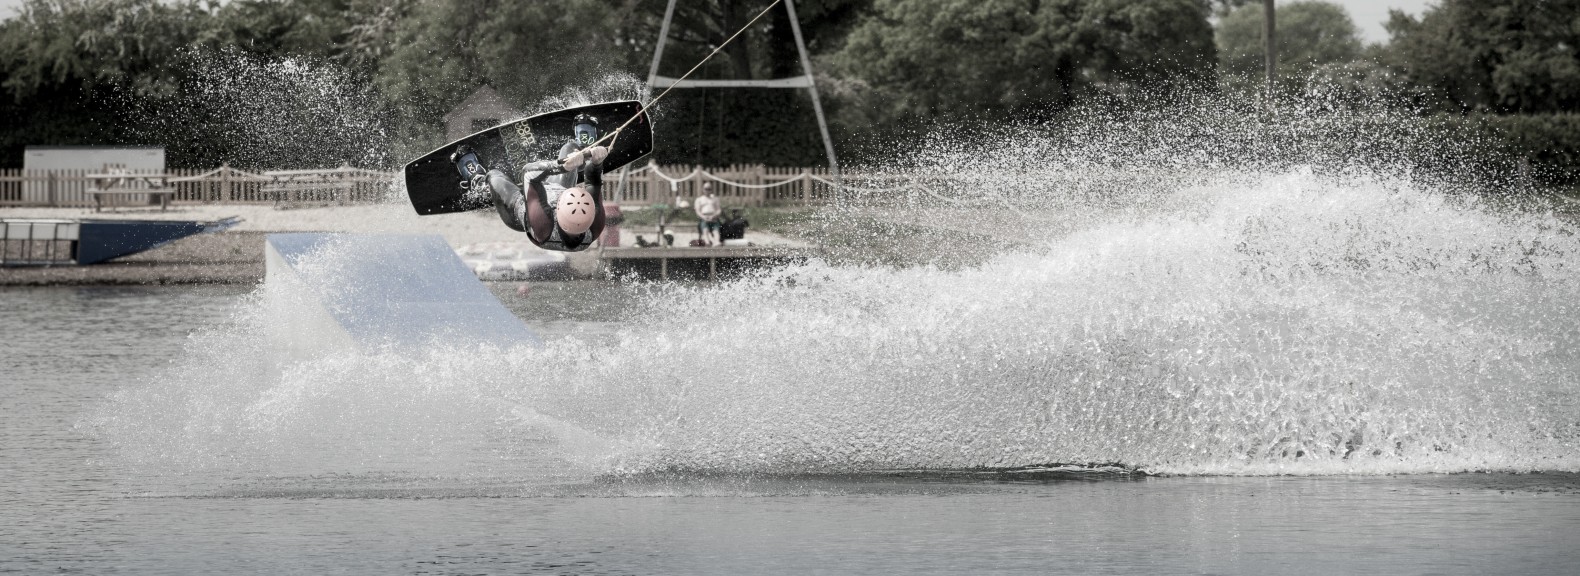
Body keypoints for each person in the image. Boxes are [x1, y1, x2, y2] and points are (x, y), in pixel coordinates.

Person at [451, 113, 610, 252]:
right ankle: (584, 146)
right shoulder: (595, 225)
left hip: (518, 208)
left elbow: (528, 173)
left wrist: (563, 165)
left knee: (494, 176)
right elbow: (594, 184)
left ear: (558, 210)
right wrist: (596, 162)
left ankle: (475, 179)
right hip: (554, 190)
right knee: (570, 148)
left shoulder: (543, 226)